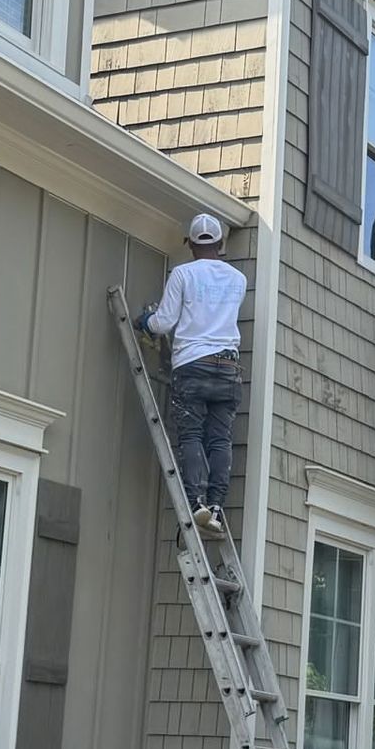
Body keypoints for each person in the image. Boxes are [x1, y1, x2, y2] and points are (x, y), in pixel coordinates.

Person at [136, 213, 247, 535]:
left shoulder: (183, 274)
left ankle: (196, 501)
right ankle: (215, 506)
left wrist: (145, 320)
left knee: (192, 435)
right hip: (228, 366)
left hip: (193, 365)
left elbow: (163, 323)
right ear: (221, 243)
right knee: (220, 438)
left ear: (190, 244)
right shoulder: (237, 279)